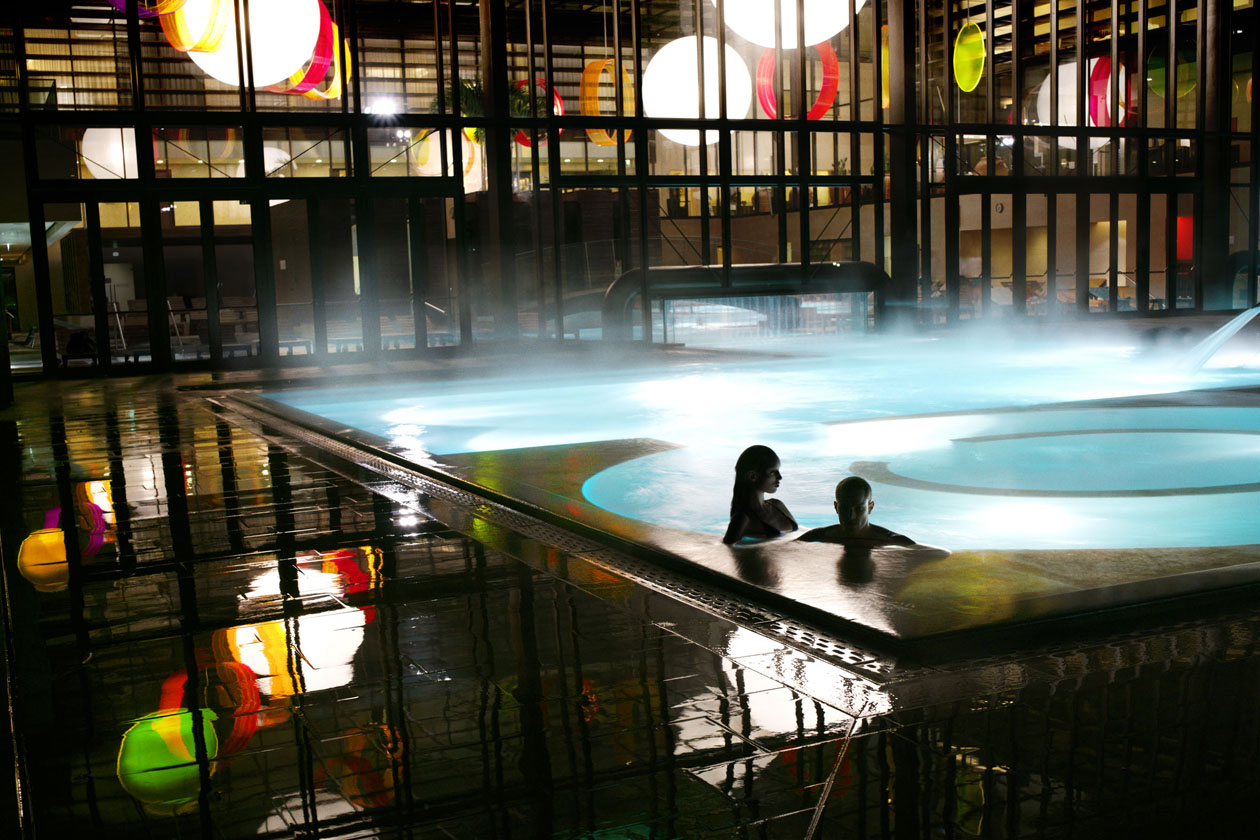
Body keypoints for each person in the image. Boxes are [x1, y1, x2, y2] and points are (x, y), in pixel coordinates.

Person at [798, 476, 914, 547]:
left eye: (859, 509)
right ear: (836, 507)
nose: (852, 516)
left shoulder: (892, 540)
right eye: (845, 508)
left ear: (870, 508)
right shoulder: (817, 536)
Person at [722, 445, 797, 544]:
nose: (780, 477)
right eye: (772, 472)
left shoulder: (778, 505)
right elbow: (726, 550)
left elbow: (796, 536)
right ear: (753, 476)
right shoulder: (742, 518)